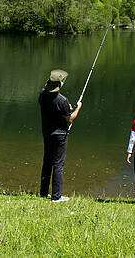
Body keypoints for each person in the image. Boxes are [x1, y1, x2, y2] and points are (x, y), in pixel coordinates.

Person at [38, 69, 82, 202]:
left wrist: (65, 109)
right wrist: (78, 107)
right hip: (60, 135)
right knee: (58, 164)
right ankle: (56, 196)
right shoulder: (62, 100)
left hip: (47, 132)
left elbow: (51, 108)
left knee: (47, 162)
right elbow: (69, 119)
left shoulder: (42, 94)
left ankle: (43, 193)